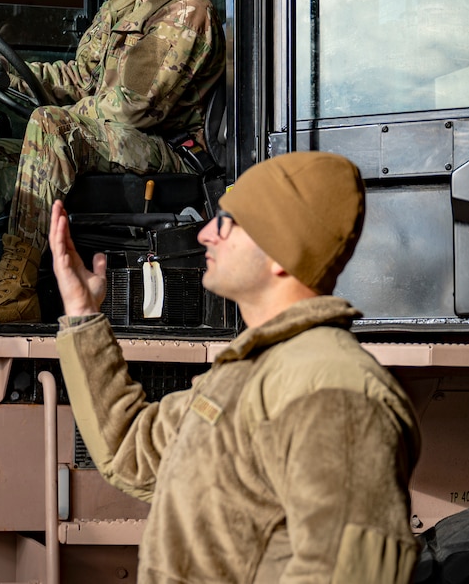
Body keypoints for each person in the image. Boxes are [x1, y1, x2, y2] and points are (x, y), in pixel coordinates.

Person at [49, 152, 422, 583]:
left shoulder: (334, 391)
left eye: (226, 221)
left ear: (281, 250)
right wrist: (81, 312)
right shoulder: (249, 373)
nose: (205, 234)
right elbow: (129, 453)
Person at [0, 0, 223, 323]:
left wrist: (63, 120)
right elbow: (78, 78)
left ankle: (16, 289)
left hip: (169, 152)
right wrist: (4, 73)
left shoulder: (189, 13)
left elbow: (133, 108)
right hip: (113, 140)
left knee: (52, 127)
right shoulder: (122, 5)